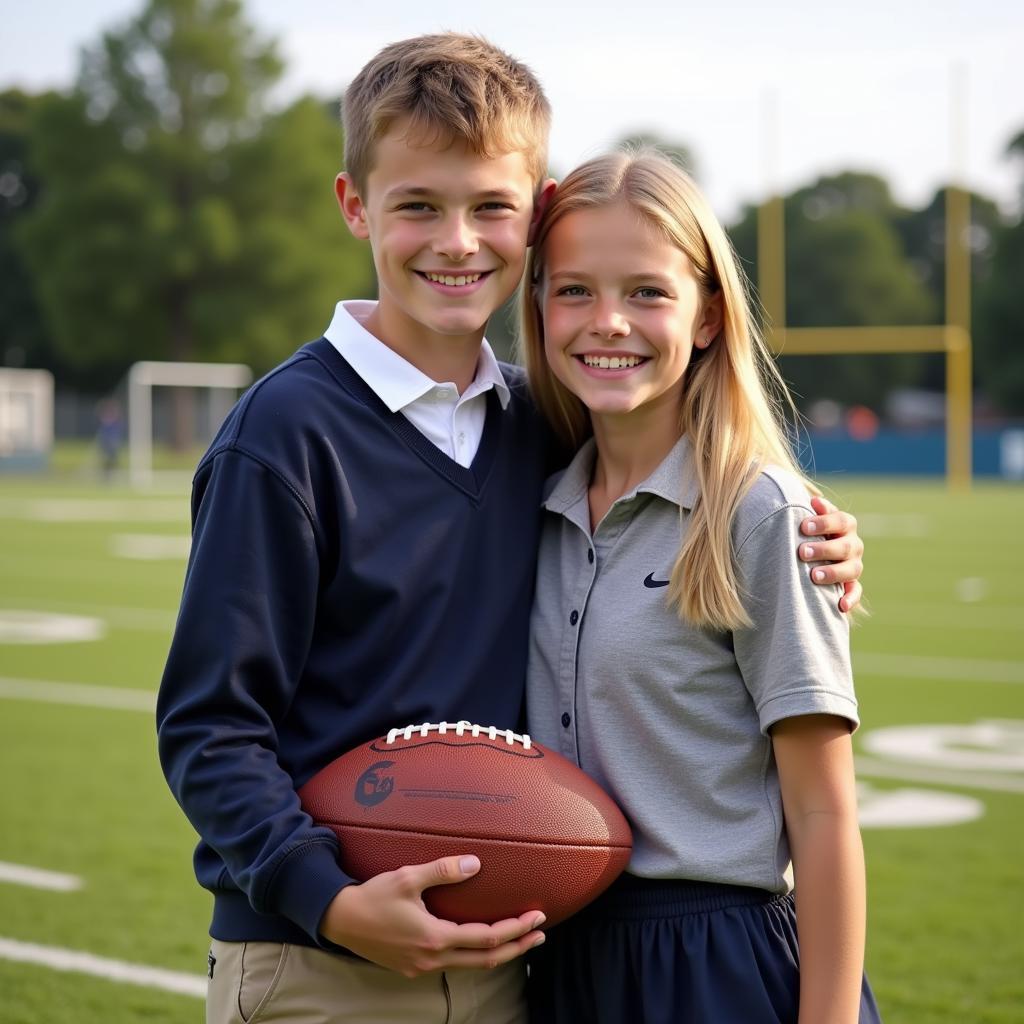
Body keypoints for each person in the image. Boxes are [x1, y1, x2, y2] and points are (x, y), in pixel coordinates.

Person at [156, 35, 866, 1024]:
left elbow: (702, 481)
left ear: (532, 215)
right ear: (356, 206)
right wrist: (330, 900)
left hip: (513, 961)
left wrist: (812, 530)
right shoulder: (283, 436)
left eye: (490, 207)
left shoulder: (541, 424)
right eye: (418, 206)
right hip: (327, 962)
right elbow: (209, 723)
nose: (457, 241)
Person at [520, 149, 882, 1023]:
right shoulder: (530, 493)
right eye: (574, 290)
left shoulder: (759, 515)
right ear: (537, 306)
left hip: (713, 959)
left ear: (710, 315)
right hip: (564, 959)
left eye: (647, 292)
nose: (608, 321)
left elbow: (824, 815)